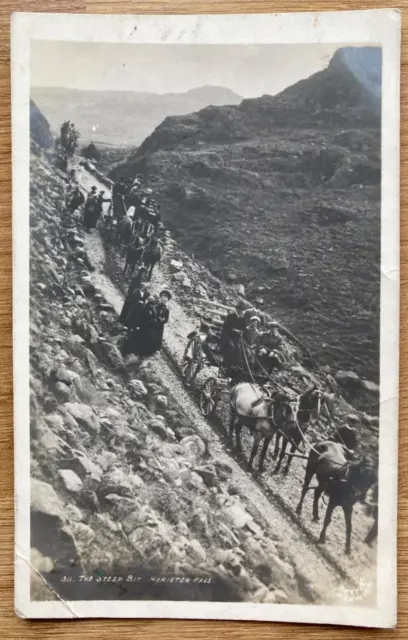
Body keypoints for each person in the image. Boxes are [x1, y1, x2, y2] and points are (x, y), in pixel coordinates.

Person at [220, 299, 247, 374]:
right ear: (236, 309)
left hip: (236, 338)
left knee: (239, 348)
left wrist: (242, 331)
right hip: (226, 336)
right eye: (239, 309)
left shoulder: (242, 319)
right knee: (231, 346)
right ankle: (224, 365)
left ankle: (233, 366)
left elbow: (244, 328)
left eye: (242, 310)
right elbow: (225, 327)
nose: (240, 311)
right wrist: (234, 330)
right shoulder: (230, 316)